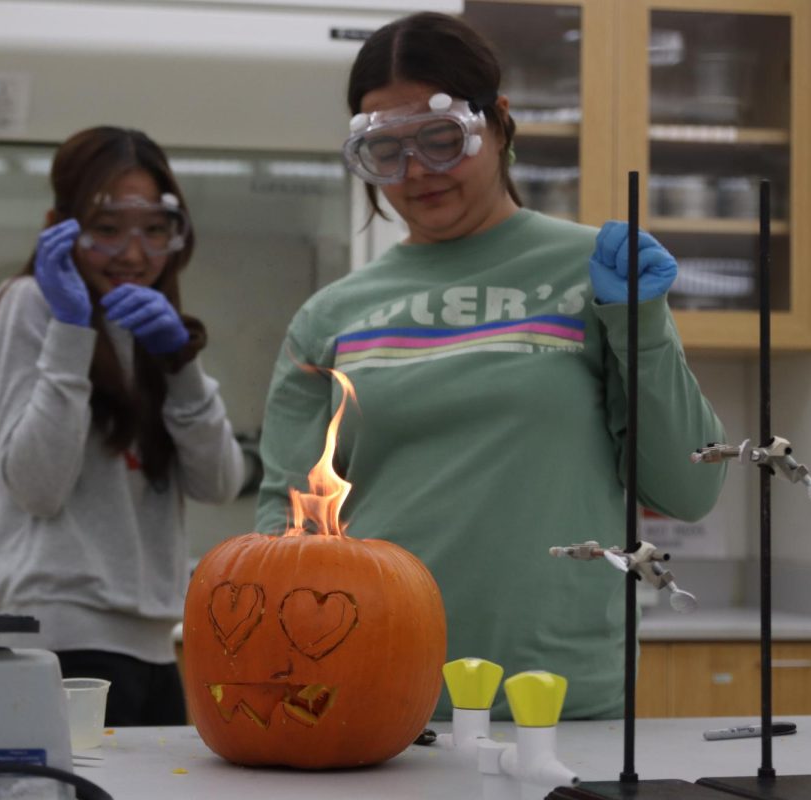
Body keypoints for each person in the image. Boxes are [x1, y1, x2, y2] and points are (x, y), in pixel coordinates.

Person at [254, 12, 727, 721]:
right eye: (386, 151)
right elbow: (283, 526)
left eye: (443, 140)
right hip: (377, 695)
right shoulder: (331, 317)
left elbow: (688, 490)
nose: (417, 173)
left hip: (556, 695)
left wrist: (642, 326)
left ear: (498, 124)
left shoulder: (593, 272)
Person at [0, 126, 246, 725]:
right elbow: (37, 486)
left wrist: (181, 362)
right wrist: (71, 330)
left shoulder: (149, 320)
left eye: (154, 231)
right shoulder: (30, 302)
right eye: (106, 230)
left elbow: (219, 482)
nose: (133, 254)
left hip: (154, 640)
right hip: (54, 637)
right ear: (59, 226)